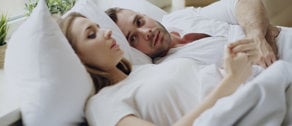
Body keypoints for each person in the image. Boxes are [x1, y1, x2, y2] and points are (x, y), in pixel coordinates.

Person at [57, 12, 253, 126]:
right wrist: (230, 82)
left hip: (247, 94)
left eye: (99, 27)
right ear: (75, 57)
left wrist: (233, 67)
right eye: (91, 35)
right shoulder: (102, 104)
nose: (107, 32)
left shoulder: (146, 68)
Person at [105, 0, 287, 68]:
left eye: (139, 22)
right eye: (133, 38)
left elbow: (244, 3)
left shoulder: (179, 18)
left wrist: (257, 37)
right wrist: (264, 33)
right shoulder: (174, 67)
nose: (147, 32)